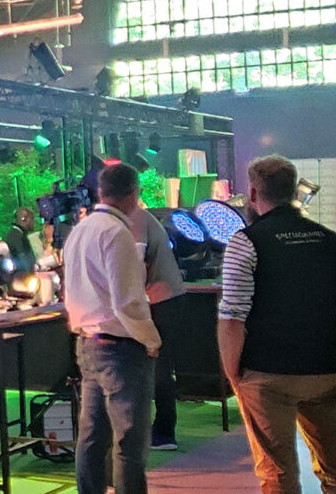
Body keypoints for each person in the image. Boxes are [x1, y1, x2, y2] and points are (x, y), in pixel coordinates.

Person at [219, 155, 336, 494]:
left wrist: (233, 372)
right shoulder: (330, 240)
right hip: (321, 370)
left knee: (278, 474)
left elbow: (232, 316)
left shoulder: (246, 241)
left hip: (266, 373)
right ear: (293, 190)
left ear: (255, 194)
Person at [62, 163, 160, 494]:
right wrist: (151, 339)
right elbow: (128, 302)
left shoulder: (80, 230)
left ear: (101, 193)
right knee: (129, 443)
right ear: (134, 195)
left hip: (87, 342)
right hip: (120, 347)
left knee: (91, 437)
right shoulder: (118, 234)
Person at [127, 204, 187, 451]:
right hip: (166, 298)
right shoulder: (140, 217)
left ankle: (163, 433)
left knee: (159, 365)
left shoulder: (136, 218)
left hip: (162, 301)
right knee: (160, 365)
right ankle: (161, 430)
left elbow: (136, 263)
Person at [3, 207, 39, 278]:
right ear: (23, 219)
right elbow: (23, 259)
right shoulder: (16, 236)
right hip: (24, 279)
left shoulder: (17, 234)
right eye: (31, 219)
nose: (33, 222)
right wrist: (31, 274)